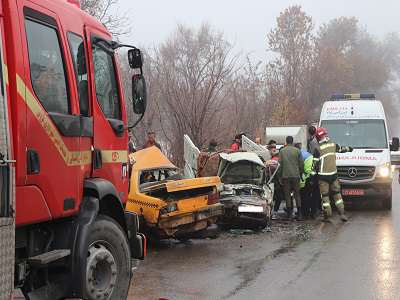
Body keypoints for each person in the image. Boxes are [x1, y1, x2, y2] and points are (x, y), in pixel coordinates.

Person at [314, 127, 353, 222]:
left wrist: (312, 175)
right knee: (337, 195)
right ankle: (342, 214)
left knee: (325, 196)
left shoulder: (317, 148)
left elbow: (314, 164)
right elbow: (342, 149)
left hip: (323, 177)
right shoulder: (332, 144)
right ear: (325, 135)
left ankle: (327, 215)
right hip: (334, 175)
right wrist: (350, 148)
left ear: (318, 137)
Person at [279, 136, 304, 220]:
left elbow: (280, 165)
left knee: (287, 195)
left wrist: (280, 176)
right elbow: (301, 164)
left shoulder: (282, 151)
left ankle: (289, 214)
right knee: (297, 194)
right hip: (296, 176)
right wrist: (300, 173)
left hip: (285, 176)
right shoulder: (297, 151)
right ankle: (300, 214)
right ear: (292, 142)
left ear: (286, 142)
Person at [295, 143, 314, 218]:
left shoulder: (300, 155)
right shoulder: (306, 153)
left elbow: (302, 169)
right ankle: (307, 211)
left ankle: (305, 212)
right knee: (307, 196)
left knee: (304, 196)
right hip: (309, 177)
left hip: (305, 178)